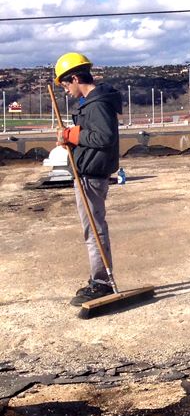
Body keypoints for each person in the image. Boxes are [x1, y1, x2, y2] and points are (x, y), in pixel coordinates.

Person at [54, 52, 124, 306]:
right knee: (92, 228)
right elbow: (92, 137)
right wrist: (71, 142)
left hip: (91, 175)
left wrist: (74, 136)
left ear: (75, 78)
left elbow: (104, 138)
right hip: (88, 171)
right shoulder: (93, 103)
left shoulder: (97, 104)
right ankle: (99, 279)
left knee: (93, 229)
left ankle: (102, 283)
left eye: (65, 85)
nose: (65, 91)